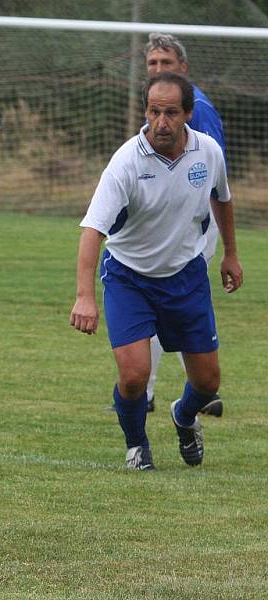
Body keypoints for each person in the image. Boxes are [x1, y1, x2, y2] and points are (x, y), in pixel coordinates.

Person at [70, 72, 243, 471]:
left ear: (187, 114)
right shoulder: (126, 161)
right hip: (130, 278)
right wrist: (84, 296)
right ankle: (137, 446)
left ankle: (183, 416)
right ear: (144, 111)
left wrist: (230, 254)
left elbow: (223, 199)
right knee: (133, 377)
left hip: (185, 276)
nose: (161, 121)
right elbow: (92, 230)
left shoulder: (208, 152)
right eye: (153, 111)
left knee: (207, 383)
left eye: (170, 112)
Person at [139, 33, 227, 416]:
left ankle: (146, 392)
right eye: (153, 64)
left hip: (197, 222)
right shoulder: (165, 106)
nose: (159, 70)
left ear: (183, 69)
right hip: (181, 220)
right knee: (176, 300)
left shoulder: (197, 109)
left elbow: (208, 173)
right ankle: (203, 391)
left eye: (167, 64)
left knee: (165, 298)